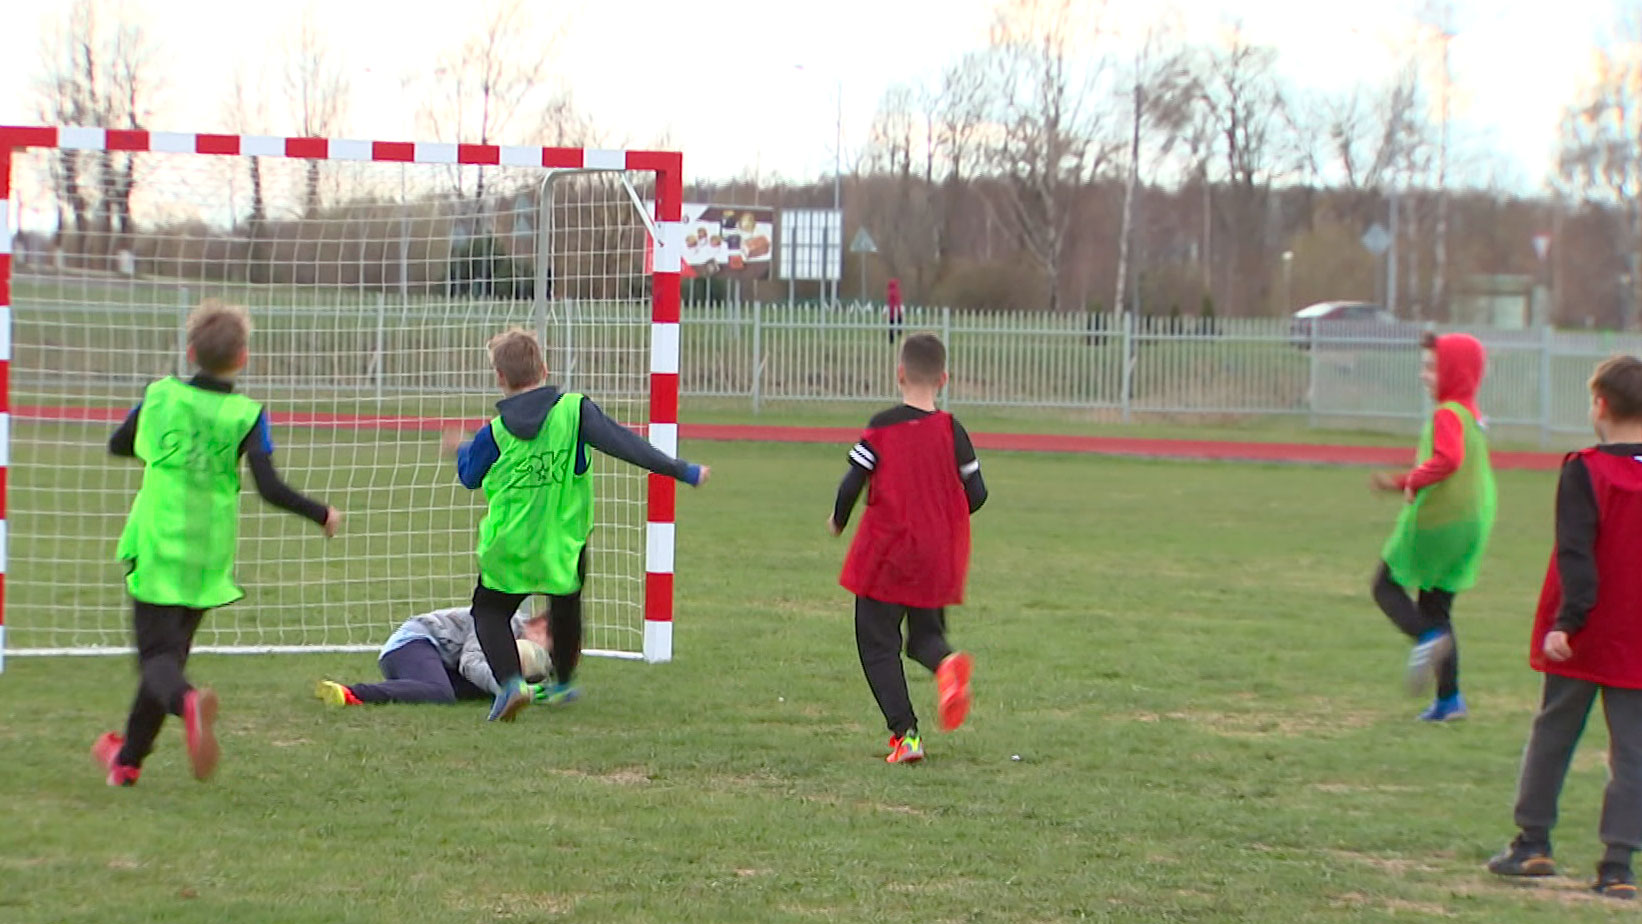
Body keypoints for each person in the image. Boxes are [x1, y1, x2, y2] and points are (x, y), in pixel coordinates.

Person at [91, 301, 341, 787]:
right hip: (209, 550)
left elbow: (118, 445)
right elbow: (269, 488)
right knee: (167, 658)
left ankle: (186, 703)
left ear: (190, 352)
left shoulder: (160, 396)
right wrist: (321, 513)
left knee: (157, 662)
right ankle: (127, 761)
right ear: (242, 357)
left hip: (159, 540)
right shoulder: (246, 414)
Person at [446, 327, 710, 723]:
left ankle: (511, 684)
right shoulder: (574, 411)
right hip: (562, 541)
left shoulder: (494, 432)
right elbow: (626, 444)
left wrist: (463, 448)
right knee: (566, 602)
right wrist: (682, 470)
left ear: (500, 378)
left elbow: (469, 477)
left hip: (510, 543)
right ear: (545, 368)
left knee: (489, 612)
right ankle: (564, 682)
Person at [1486, 356, 1642, 900]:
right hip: (1637, 636)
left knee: (1554, 731)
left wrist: (1567, 620)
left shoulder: (1586, 468)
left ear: (1599, 404)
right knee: (1634, 750)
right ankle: (1618, 865)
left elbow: (1577, 553)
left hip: (1583, 631)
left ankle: (1533, 844)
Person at [828, 332, 988, 764]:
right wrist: (939, 520)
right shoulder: (953, 431)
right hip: (935, 555)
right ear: (945, 379)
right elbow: (978, 493)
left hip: (888, 554)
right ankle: (946, 665)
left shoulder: (882, 426)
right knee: (924, 638)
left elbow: (851, 483)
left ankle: (906, 736)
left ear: (900, 374)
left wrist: (839, 520)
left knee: (876, 641)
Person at [1368, 332, 1495, 721]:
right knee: (1436, 606)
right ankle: (1449, 700)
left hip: (1438, 522)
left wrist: (1410, 481)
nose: (1424, 376)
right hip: (1472, 525)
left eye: (1431, 368)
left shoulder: (1447, 414)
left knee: (1384, 585)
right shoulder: (1473, 416)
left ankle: (1427, 639)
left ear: (1454, 372)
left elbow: (1448, 459)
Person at [314, 604, 550, 706]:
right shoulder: (503, 622)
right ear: (539, 624)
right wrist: (508, 688)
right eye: (548, 649)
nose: (546, 658)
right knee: (440, 692)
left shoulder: (515, 640)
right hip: (412, 644)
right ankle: (350, 693)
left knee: (479, 692)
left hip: (439, 662)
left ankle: (409, 688)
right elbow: (471, 662)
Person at [886, 278, 904, 344]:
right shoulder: (895, 291)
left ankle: (891, 340)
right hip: (895, 310)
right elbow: (897, 301)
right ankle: (899, 333)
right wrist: (899, 309)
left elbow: (889, 301)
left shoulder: (890, 291)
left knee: (891, 325)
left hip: (892, 311)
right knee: (899, 322)